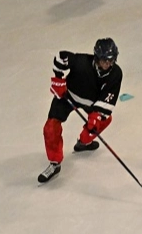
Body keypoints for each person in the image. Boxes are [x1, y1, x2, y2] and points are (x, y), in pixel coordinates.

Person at [38, 38, 123, 183]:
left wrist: (95, 116)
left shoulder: (116, 73)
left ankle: (84, 142)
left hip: (92, 103)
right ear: (97, 58)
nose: (108, 64)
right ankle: (55, 163)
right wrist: (58, 79)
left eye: (111, 60)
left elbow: (108, 99)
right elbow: (61, 57)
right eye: (105, 60)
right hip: (67, 96)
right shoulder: (81, 61)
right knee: (50, 128)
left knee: (104, 120)